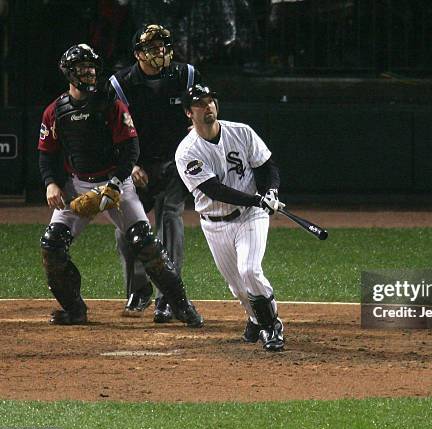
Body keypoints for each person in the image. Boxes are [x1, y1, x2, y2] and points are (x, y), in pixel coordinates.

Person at [37, 43, 203, 328]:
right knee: (52, 246)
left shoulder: (110, 103)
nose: (89, 72)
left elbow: (130, 148)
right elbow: (46, 153)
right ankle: (75, 309)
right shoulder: (55, 111)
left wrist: (115, 183)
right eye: (82, 67)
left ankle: (181, 305)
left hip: (117, 184)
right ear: (68, 71)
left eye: (91, 67)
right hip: (77, 186)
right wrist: (51, 184)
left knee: (145, 243)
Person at [175, 84, 285, 351]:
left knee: (249, 270)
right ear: (189, 113)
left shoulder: (241, 132)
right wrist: (258, 197)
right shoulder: (187, 152)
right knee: (238, 288)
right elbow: (214, 190)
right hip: (214, 223)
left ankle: (272, 327)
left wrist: (270, 192)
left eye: (211, 100)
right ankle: (254, 317)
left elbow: (267, 166)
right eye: (200, 103)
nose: (208, 106)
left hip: (250, 216)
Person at [107, 24, 202, 323]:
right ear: (137, 54)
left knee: (170, 219)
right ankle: (139, 289)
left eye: (163, 45)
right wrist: (130, 164)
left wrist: (197, 126)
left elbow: (204, 109)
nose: (160, 51)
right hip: (136, 165)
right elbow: (109, 130)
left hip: (176, 163)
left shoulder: (186, 75)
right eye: (152, 47)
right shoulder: (119, 84)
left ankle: (168, 297)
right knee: (126, 230)